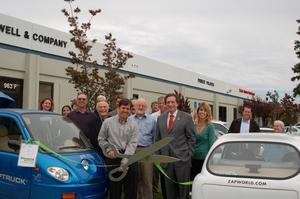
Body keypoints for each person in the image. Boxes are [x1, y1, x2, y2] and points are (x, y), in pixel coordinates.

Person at [156, 93, 196, 199]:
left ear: (177, 103)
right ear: (165, 104)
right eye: (168, 102)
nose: (170, 104)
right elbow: (157, 139)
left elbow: (192, 138)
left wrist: (189, 155)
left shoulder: (186, 117)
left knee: (183, 191)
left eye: (172, 102)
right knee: (169, 191)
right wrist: (158, 157)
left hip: (182, 160)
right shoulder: (160, 119)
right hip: (165, 161)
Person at [98, 98, 138, 199]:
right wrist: (108, 150)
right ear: (118, 108)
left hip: (129, 157)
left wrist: (125, 162)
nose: (125, 110)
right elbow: (101, 139)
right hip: (113, 157)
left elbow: (132, 144)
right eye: (123, 108)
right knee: (115, 189)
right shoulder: (107, 122)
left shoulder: (134, 124)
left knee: (131, 189)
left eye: (127, 108)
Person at [130, 98, 156, 199]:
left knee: (147, 178)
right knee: (135, 178)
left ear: (146, 107)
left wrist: (152, 152)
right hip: (133, 151)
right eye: (138, 105)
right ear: (134, 107)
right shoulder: (130, 119)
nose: (140, 107)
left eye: (143, 106)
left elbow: (155, 136)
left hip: (147, 151)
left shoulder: (152, 120)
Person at [191, 102, 215, 180]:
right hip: (193, 158)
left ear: (207, 113)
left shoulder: (210, 126)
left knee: (202, 180)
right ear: (198, 111)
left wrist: (210, 160)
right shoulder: (193, 125)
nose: (202, 112)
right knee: (193, 180)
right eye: (201, 110)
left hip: (204, 160)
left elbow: (212, 144)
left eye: (205, 111)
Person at [151, 96, 167, 199]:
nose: (161, 105)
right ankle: (155, 191)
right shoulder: (153, 116)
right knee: (155, 173)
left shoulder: (169, 116)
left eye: (162, 103)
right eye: (159, 103)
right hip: (156, 148)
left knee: (166, 172)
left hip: (167, 149)